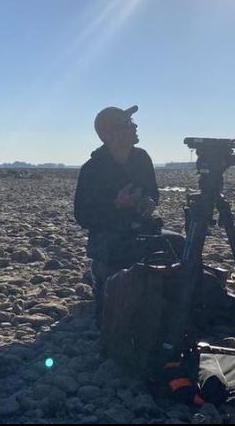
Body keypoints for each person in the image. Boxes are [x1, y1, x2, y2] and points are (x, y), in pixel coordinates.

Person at [74, 105, 185, 326]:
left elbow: (153, 193)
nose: (134, 127)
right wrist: (117, 205)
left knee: (180, 246)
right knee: (115, 301)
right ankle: (101, 277)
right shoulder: (92, 168)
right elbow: (83, 215)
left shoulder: (141, 158)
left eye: (132, 123)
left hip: (142, 229)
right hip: (109, 237)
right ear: (108, 135)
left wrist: (148, 202)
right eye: (126, 124)